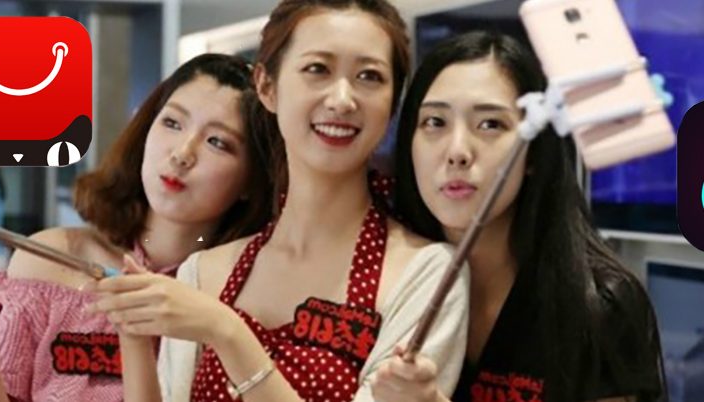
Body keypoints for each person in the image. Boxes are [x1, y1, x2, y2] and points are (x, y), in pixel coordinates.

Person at [88, 1, 470, 402]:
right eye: (318, 69)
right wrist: (133, 334)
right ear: (267, 87)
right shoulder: (203, 273)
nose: (342, 99)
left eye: (369, 76)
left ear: (392, 104)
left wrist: (228, 332)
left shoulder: (426, 275)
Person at [0, 53, 276, 402]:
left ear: (252, 180)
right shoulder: (53, 259)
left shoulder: (243, 297)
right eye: (172, 123)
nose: (182, 154)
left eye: (217, 142)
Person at [391, 31, 666, 402]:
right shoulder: (390, 279)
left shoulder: (600, 304)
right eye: (435, 122)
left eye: (490, 124)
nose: (457, 151)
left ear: (533, 153)